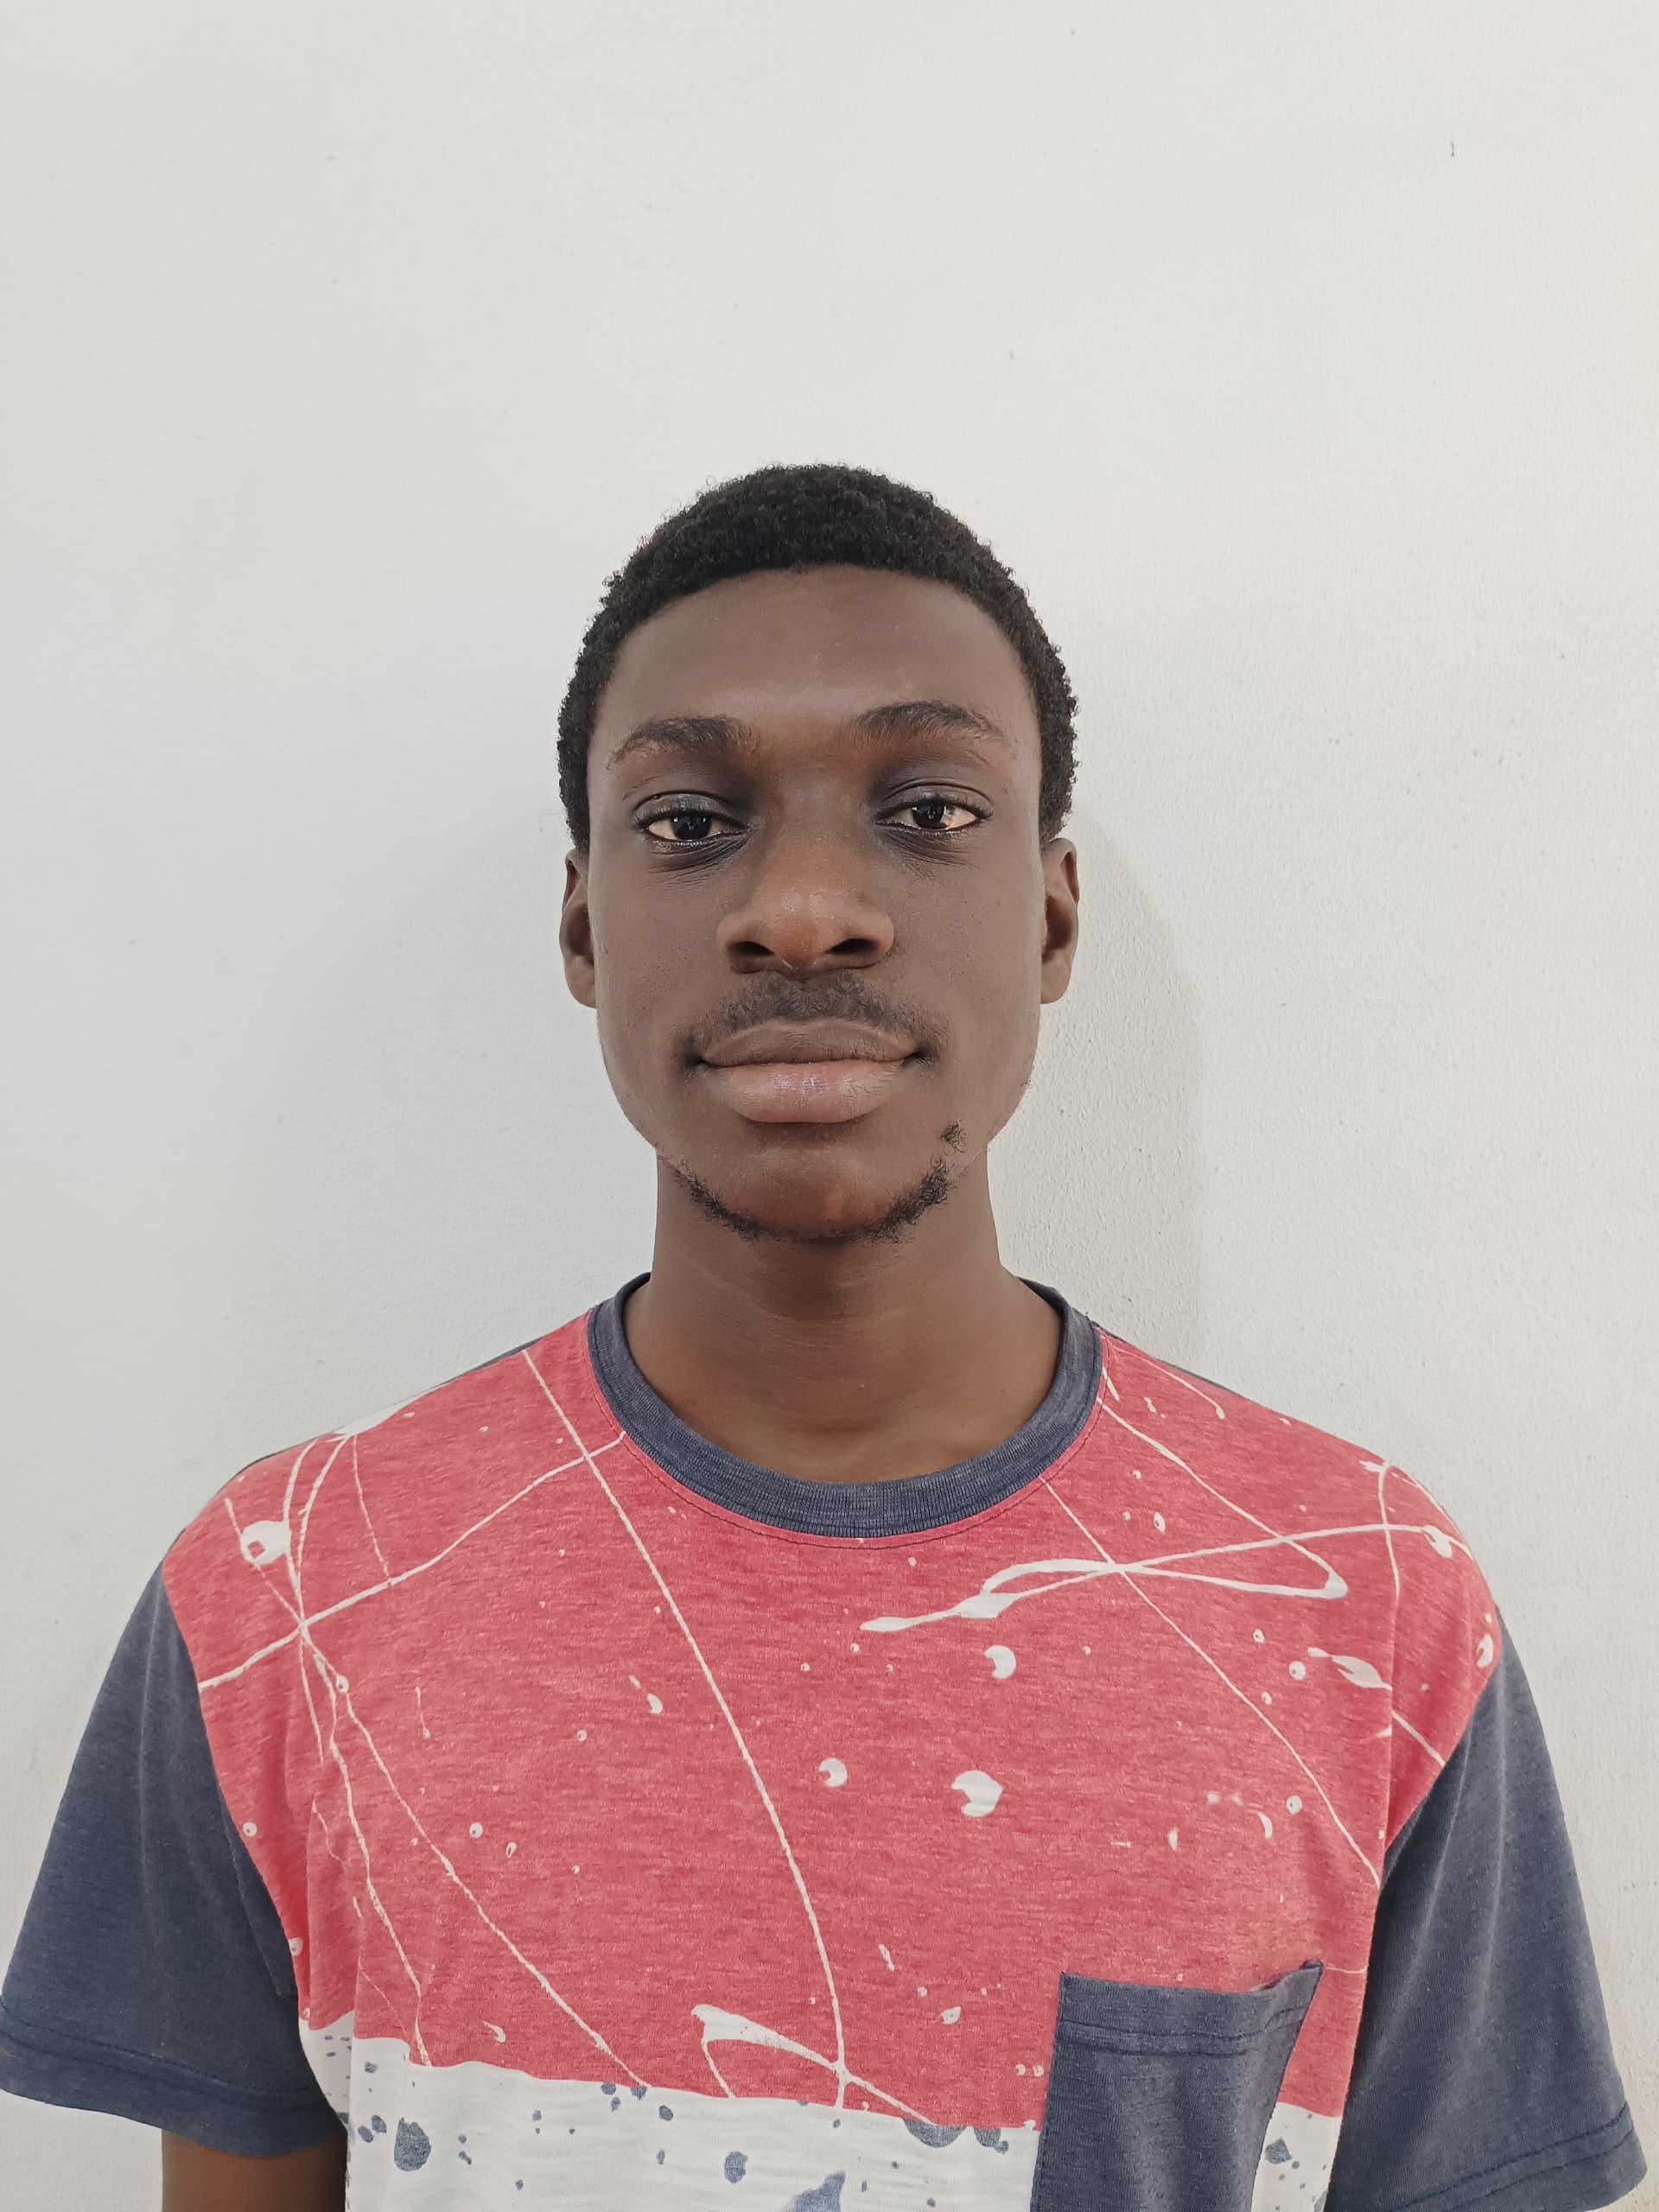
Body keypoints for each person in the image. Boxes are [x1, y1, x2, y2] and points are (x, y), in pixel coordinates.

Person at [1, 464, 1643, 2212]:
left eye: (927, 809)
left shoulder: (1364, 1602)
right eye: (687, 821)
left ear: (1052, 915)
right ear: (582, 924)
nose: (801, 907)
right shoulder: (286, 1598)